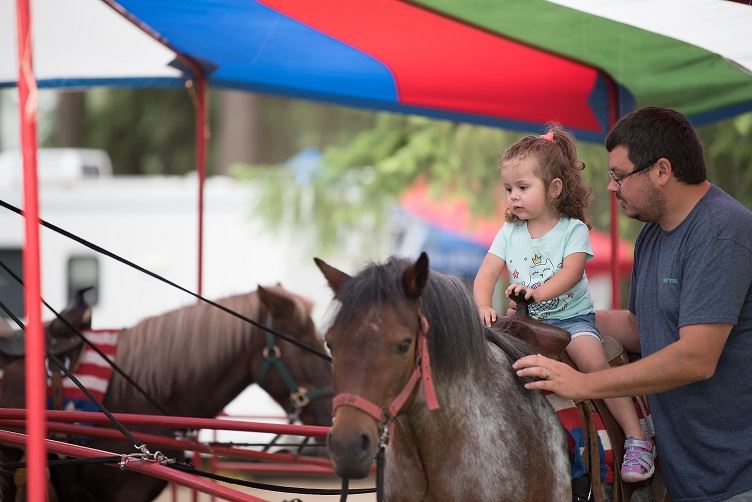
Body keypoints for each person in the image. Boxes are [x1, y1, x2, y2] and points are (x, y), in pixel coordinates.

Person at [513, 107, 752, 502]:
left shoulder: (721, 234)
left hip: (737, 478)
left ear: (661, 170)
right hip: (688, 477)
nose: (611, 188)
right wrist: (550, 319)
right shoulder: (653, 236)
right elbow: (644, 328)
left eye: (619, 176)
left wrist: (584, 383)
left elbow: (696, 357)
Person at [473, 124, 654, 482]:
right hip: (523, 326)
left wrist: (537, 293)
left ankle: (636, 438)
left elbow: (571, 273)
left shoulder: (572, 229)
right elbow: (486, 275)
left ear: (554, 189)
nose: (513, 197)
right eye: (509, 189)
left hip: (571, 323)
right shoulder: (509, 232)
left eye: (523, 188)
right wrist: (481, 305)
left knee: (593, 363)